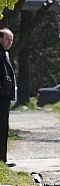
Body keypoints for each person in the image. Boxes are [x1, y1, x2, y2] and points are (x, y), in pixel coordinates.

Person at [0, 28, 16, 168]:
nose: (10, 42)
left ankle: (2, 159)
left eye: (11, 40)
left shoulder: (5, 53)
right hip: (1, 96)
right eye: (7, 39)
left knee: (4, 128)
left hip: (5, 97)